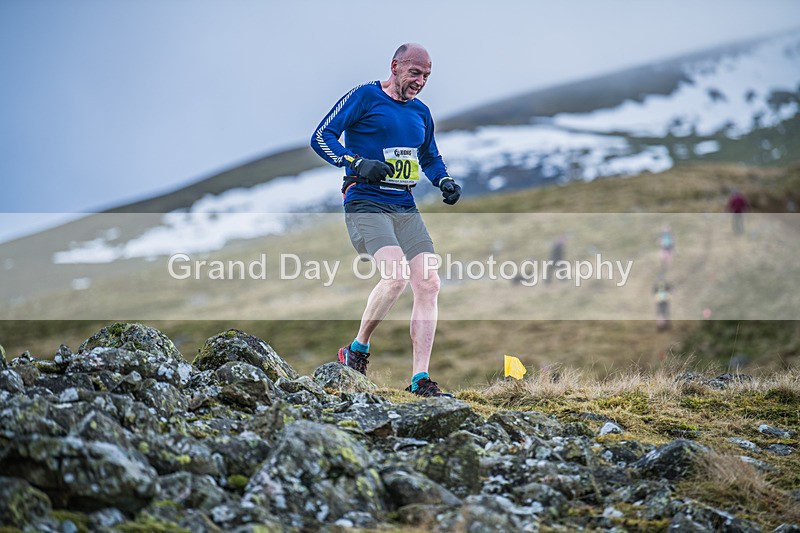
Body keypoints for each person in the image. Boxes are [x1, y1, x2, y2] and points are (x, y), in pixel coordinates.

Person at [310, 43, 461, 397]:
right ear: (395, 66)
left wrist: (443, 180)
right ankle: (357, 349)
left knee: (428, 283)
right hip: (365, 199)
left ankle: (420, 380)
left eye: (426, 76)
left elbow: (429, 156)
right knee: (395, 277)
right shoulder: (365, 96)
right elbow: (321, 137)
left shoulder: (421, 113)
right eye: (414, 73)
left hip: (404, 205)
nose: (420, 81)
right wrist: (356, 162)